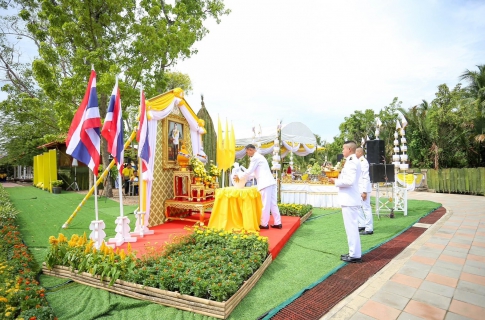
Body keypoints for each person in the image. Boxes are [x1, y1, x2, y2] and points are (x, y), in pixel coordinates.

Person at [234, 144, 282, 229]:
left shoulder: (255, 158)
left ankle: (264, 224)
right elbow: (253, 173)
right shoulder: (260, 157)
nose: (247, 154)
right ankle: (278, 223)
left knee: (265, 205)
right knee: (273, 204)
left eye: (247, 152)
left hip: (265, 183)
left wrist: (240, 176)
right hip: (270, 182)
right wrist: (243, 177)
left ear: (251, 150)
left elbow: (249, 171)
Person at [329, 141, 362, 263]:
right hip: (349, 199)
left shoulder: (352, 162)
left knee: (352, 228)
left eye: (343, 148)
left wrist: (335, 181)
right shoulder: (351, 161)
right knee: (351, 228)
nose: (342, 151)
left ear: (349, 149)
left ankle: (355, 255)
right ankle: (353, 252)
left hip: (350, 199)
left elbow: (349, 181)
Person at [356, 147, 374, 235]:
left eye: (356, 152)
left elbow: (366, 177)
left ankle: (369, 228)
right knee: (358, 207)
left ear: (359, 152)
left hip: (364, 189)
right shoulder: (359, 161)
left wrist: (365, 191)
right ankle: (362, 224)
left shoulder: (363, 162)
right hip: (359, 188)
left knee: (366, 208)